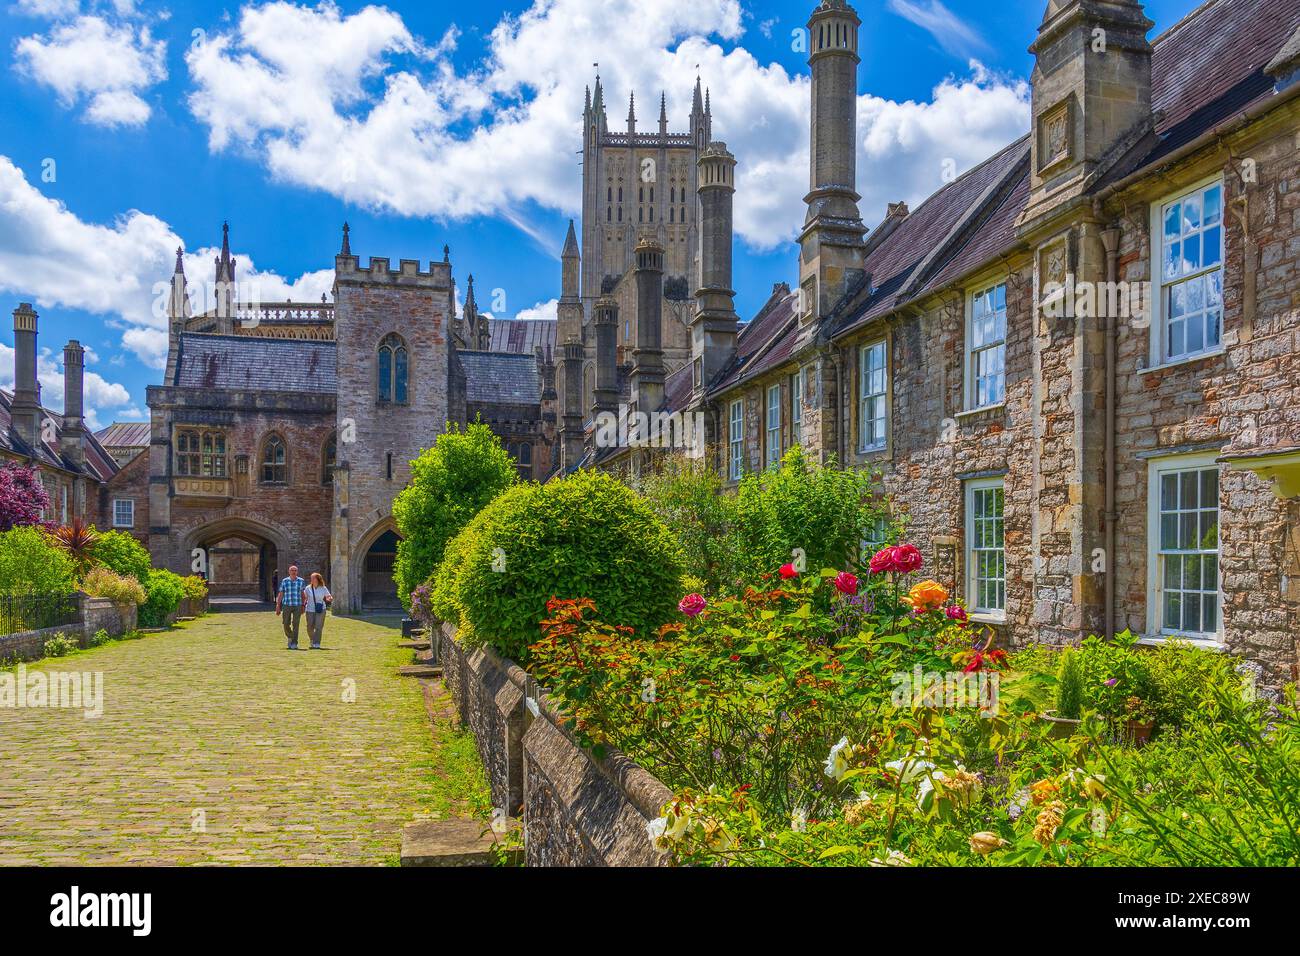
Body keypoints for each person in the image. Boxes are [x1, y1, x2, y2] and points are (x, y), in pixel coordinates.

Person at [275, 565, 307, 650]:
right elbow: (281, 594)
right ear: (289, 572)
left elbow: (303, 594)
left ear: (297, 572)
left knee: (296, 624)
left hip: (297, 604)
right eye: (292, 570)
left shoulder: (301, 581)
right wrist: (278, 605)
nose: (293, 572)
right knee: (285, 623)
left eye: (295, 570)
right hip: (287, 604)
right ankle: (290, 636)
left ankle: (294, 643)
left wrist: (303, 605)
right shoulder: (285, 581)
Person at [303, 572, 333, 650]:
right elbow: (304, 598)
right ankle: (312, 639)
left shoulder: (323, 588)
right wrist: (302, 604)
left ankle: (317, 643)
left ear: (318, 579)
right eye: (311, 578)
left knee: (318, 626)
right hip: (309, 609)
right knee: (309, 627)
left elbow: (328, 596)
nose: (312, 579)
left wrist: (329, 598)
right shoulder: (307, 588)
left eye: (313, 578)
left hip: (321, 609)